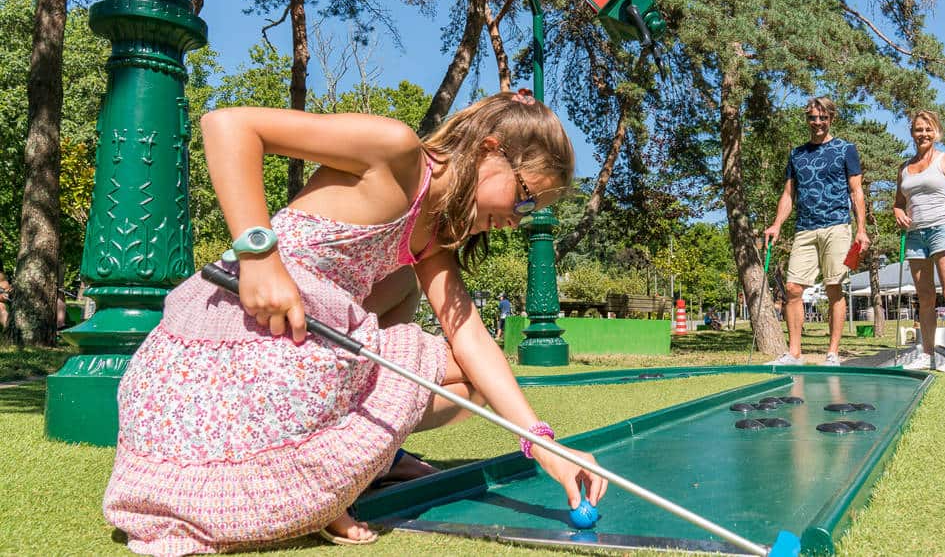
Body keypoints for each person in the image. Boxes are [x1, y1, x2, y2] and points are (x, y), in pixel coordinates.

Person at [102, 90, 608, 554]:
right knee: (420, 333)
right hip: (244, 326)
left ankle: (367, 464)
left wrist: (543, 444)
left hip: (307, 347)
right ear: (490, 150)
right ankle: (331, 478)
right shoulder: (395, 150)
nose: (518, 220)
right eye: (524, 197)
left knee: (471, 376)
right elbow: (228, 125)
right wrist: (258, 254)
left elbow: (471, 337)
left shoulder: (432, 238)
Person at [763, 97, 870, 366]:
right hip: (805, 229)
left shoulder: (846, 149)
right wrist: (777, 224)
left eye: (823, 118)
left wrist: (861, 230)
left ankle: (832, 353)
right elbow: (788, 195)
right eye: (813, 118)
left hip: (837, 226)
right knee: (793, 288)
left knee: (834, 288)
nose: (818, 123)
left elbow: (857, 191)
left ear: (831, 118)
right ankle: (794, 353)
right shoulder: (797, 154)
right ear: (807, 119)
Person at [893, 110, 945, 373]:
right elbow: (898, 203)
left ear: (936, 132)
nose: (923, 134)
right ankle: (928, 354)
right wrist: (898, 212)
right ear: (912, 133)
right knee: (925, 297)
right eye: (918, 129)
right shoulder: (904, 168)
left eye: (928, 129)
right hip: (915, 234)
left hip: (942, 229)